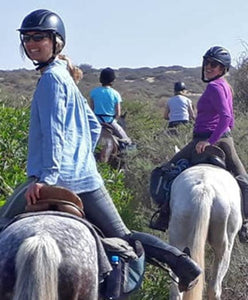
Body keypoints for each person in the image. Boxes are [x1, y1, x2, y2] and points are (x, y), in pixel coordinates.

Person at [0, 9, 202, 292]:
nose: (32, 43)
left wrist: (48, 176)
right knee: (125, 238)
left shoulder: (49, 80)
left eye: (39, 37)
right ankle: (183, 264)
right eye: (28, 38)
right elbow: (95, 128)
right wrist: (81, 157)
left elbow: (55, 129)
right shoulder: (65, 77)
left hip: (50, 179)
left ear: (56, 42)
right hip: (85, 180)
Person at [150, 46, 248, 243]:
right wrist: (223, 134)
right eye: (207, 63)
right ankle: (244, 224)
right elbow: (231, 119)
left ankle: (163, 215)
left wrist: (209, 141)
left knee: (164, 171)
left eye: (214, 65)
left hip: (205, 138)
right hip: (226, 139)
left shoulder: (214, 87)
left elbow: (226, 116)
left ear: (222, 68)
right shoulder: (226, 85)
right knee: (243, 178)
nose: (208, 67)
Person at [90, 68, 132, 145]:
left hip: (96, 121)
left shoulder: (93, 92)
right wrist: (114, 120)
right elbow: (118, 113)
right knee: (127, 141)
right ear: (112, 80)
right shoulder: (115, 94)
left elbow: (91, 110)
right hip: (110, 122)